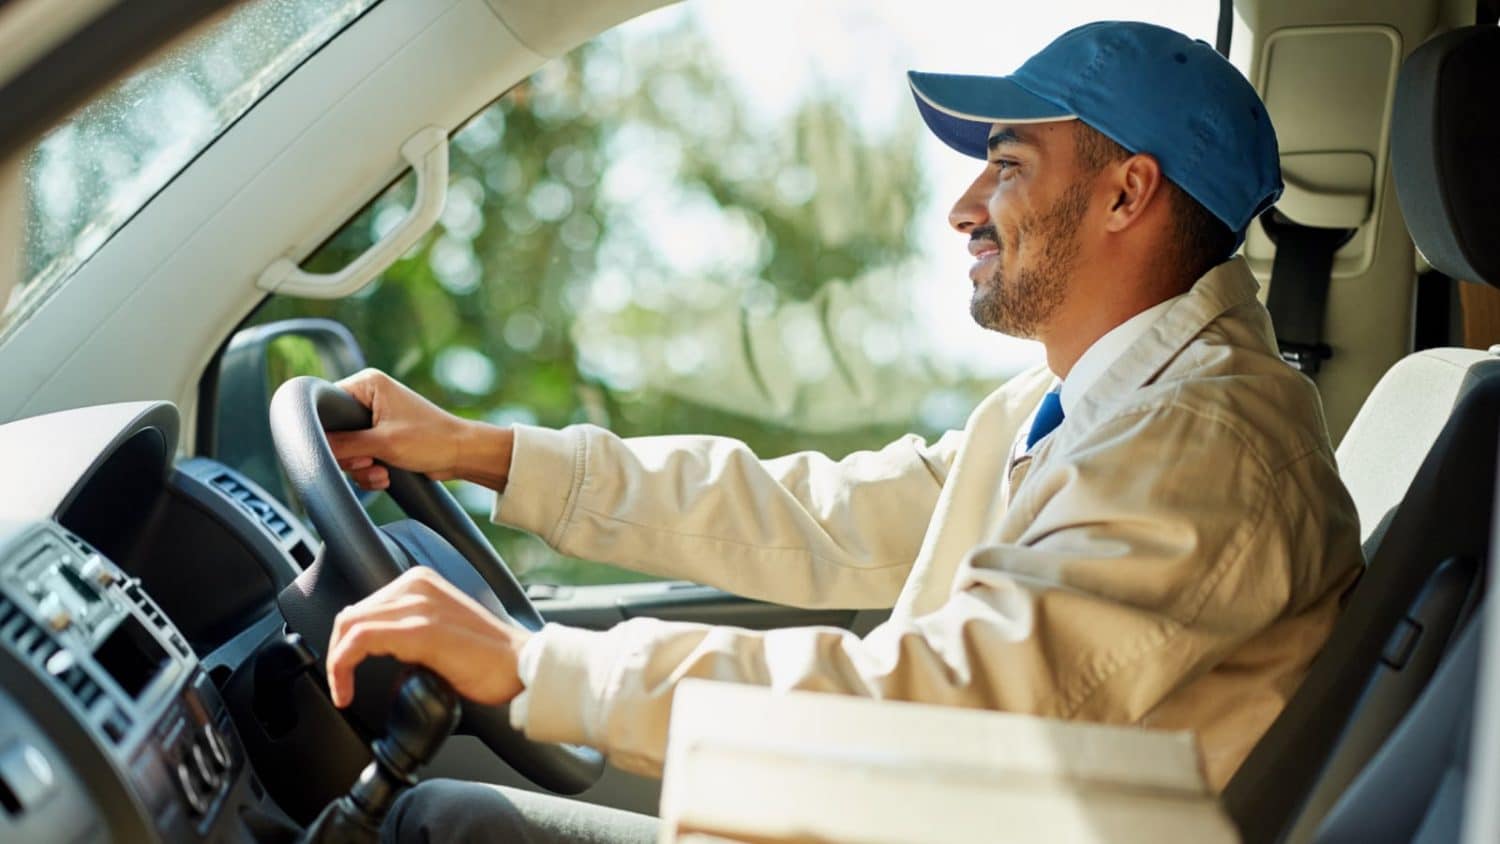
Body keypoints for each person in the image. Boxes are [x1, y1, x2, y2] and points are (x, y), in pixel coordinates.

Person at [326, 21, 1364, 842]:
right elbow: (813, 513)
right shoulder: (1084, 406)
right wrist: (480, 451)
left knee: (435, 825)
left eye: (1006, 165)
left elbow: (942, 709)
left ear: (1126, 192)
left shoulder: (1204, 453)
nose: (964, 207)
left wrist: (540, 669)